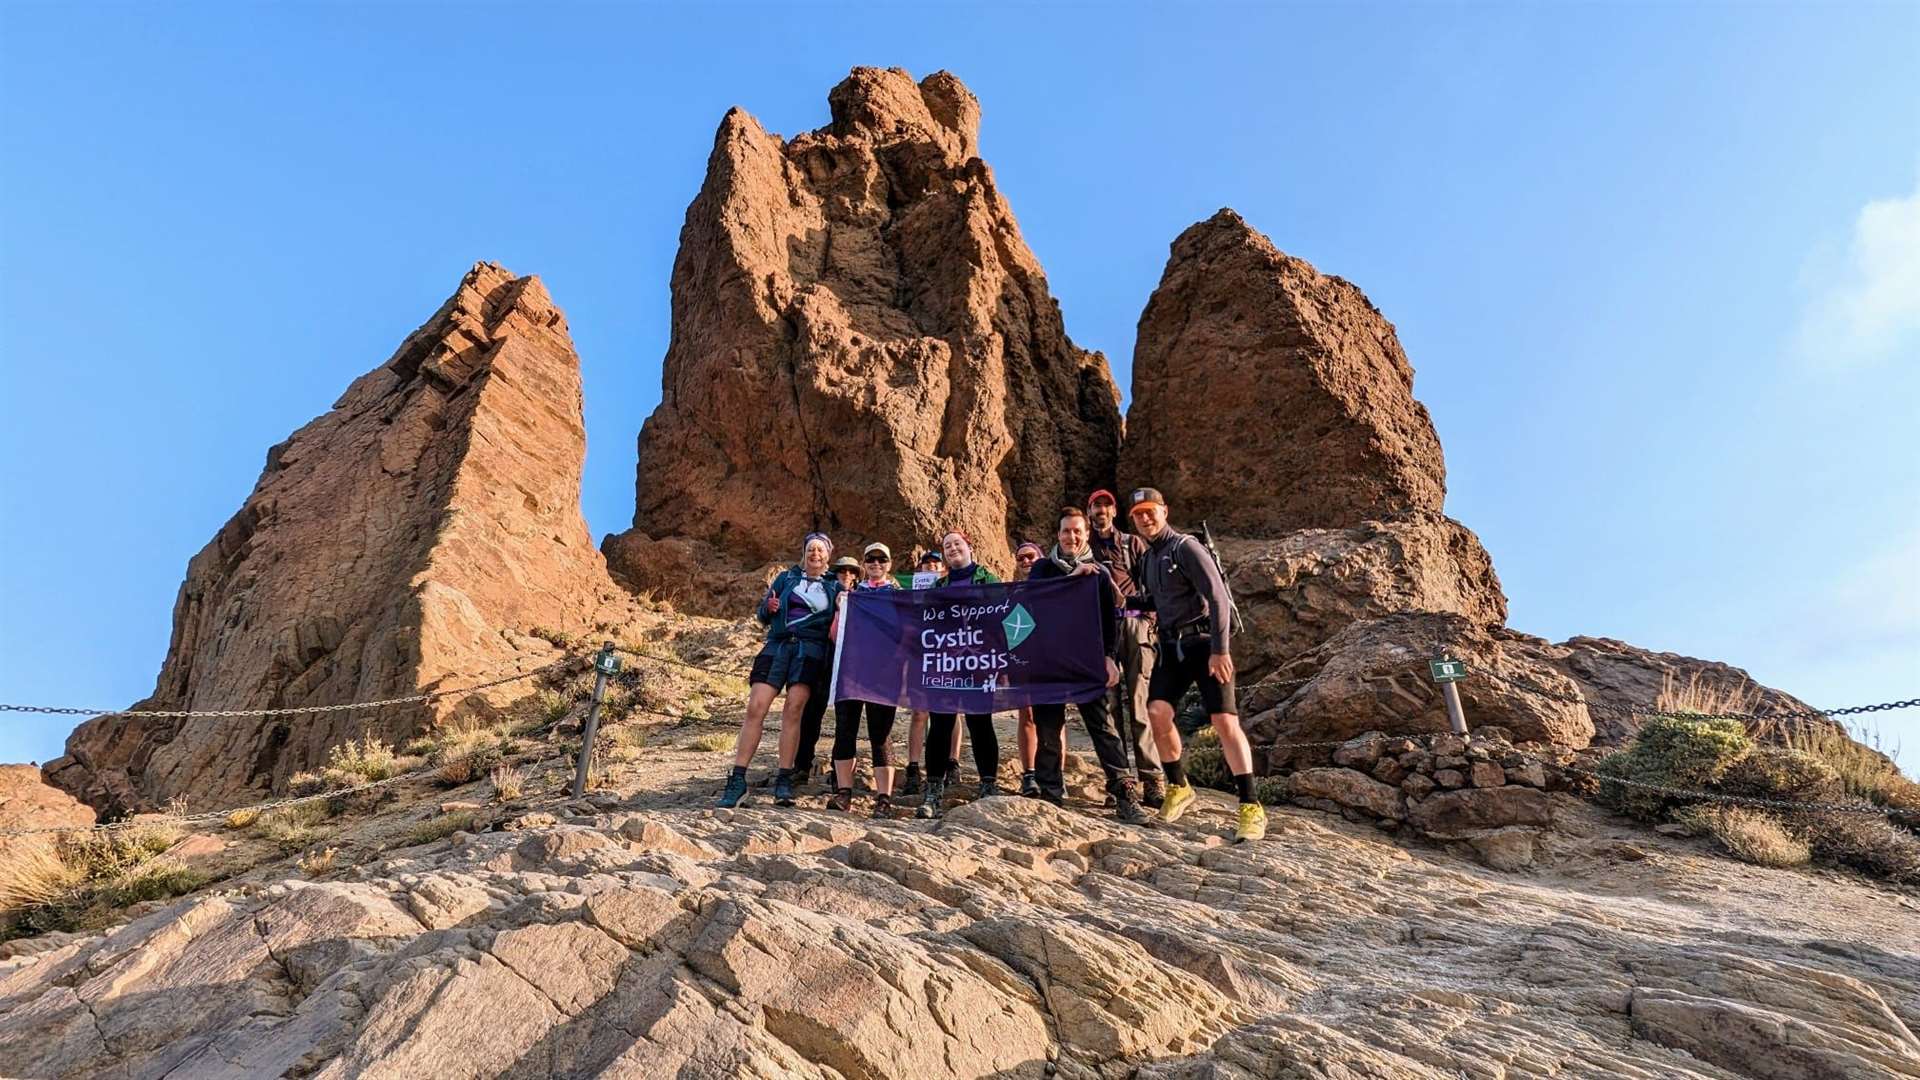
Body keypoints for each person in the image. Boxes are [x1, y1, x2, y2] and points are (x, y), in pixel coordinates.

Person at [1123, 488, 1266, 842]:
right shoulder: (1149, 558)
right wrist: (1114, 600)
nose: (1145, 518)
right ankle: (1179, 787)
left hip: (1204, 645)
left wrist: (1221, 650)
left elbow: (1216, 595)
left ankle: (1251, 806)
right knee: (1157, 712)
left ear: (1164, 511)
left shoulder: (1185, 547)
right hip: (1171, 647)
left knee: (1224, 720)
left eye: (1150, 511)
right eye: (1138, 514)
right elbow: (1153, 601)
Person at [1025, 507, 1148, 823]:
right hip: (1048, 662)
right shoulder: (1042, 569)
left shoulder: (1100, 573)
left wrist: (1109, 657)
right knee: (1049, 730)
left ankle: (1124, 793)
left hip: (1087, 660)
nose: (1071, 536)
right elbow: (1035, 601)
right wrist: (1071, 578)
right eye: (1066, 531)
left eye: (1077, 531)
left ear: (1086, 534)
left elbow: (1112, 619)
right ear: (1058, 535)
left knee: (1103, 728)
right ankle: (1052, 797)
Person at [718, 532, 843, 809]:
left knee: (794, 710)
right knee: (756, 706)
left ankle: (784, 779)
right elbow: (763, 615)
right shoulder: (786, 578)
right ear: (804, 552)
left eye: (820, 550)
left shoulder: (834, 586)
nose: (815, 554)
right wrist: (768, 607)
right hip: (777, 646)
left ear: (828, 556)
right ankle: (738, 779)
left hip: (809, 650)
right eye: (811, 549)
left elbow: (843, 618)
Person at [916, 529, 1002, 819]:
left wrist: (1000, 660)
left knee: (980, 722)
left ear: (969, 547)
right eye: (947, 546)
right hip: (947, 664)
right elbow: (926, 624)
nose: (952, 549)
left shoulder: (987, 579)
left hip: (979, 662)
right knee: (941, 724)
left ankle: (988, 784)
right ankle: (933, 791)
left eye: (957, 543)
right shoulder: (938, 586)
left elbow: (1002, 616)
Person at [1087, 489, 1164, 808]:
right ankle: (1121, 781)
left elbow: (1154, 584)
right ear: (1089, 511)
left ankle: (1152, 780)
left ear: (1114, 511)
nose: (1101, 511)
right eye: (1096, 506)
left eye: (1106, 505)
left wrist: (1150, 621)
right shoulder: (1083, 547)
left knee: (1139, 702)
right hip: (1098, 632)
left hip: (1134, 625)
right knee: (1108, 707)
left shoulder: (1133, 544)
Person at [827, 543, 903, 814]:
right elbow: (835, 636)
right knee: (845, 729)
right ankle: (843, 792)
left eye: (882, 559)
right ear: (864, 564)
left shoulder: (898, 596)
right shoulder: (852, 595)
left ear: (889, 564)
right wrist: (839, 609)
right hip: (853, 670)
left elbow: (906, 634)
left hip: (883, 673)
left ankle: (884, 798)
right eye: (870, 559)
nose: (876, 563)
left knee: (880, 734)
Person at [1009, 540, 1060, 797]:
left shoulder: (1055, 586)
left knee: (1054, 717)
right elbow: (1009, 629)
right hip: (1023, 660)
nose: (1026, 561)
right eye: (1021, 558)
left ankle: (1056, 773)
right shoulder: (1013, 592)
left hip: (1053, 659)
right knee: (1026, 714)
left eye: (1030, 556)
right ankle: (1029, 774)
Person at [899, 548, 945, 797]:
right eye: (925, 564)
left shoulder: (952, 587)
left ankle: (952, 762)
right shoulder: (912, 594)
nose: (930, 567)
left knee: (948, 712)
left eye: (935, 563)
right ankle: (914, 767)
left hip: (947, 655)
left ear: (943, 568)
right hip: (919, 655)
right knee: (919, 712)